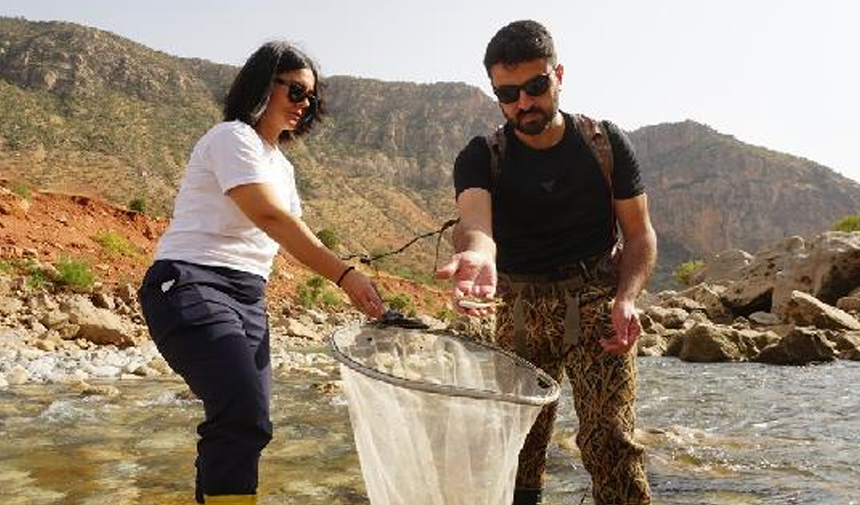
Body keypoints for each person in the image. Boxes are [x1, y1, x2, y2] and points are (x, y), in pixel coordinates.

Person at [137, 41, 385, 505]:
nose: (303, 105)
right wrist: (345, 276)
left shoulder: (282, 168)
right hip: (190, 282)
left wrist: (351, 272)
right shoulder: (232, 137)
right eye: (295, 91)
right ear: (262, 84)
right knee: (242, 411)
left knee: (248, 423)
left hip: (249, 297)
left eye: (310, 98)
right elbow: (272, 219)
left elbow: (294, 233)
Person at [437, 20, 657, 505]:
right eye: (508, 93)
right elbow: (476, 224)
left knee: (610, 443)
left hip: (598, 304)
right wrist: (476, 254)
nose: (523, 103)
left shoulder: (605, 144)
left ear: (558, 75)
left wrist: (627, 299)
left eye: (535, 87)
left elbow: (639, 235)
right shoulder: (480, 155)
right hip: (518, 310)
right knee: (516, 445)